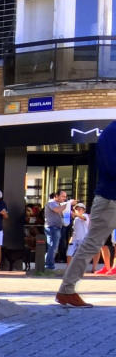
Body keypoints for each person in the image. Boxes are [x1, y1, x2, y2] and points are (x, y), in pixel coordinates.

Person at [57, 123, 116, 306]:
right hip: (110, 199)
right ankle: (66, 290)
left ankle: (66, 290)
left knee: (91, 244)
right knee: (91, 244)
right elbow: (110, 167)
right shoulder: (111, 133)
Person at [43, 190, 71, 271]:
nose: (64, 198)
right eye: (62, 196)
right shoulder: (51, 202)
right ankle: (49, 266)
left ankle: (49, 265)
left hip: (56, 227)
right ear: (56, 196)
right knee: (53, 247)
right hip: (52, 227)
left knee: (53, 247)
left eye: (65, 197)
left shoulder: (59, 204)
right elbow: (57, 210)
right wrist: (68, 204)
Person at [66, 202, 93, 271]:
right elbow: (74, 229)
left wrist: (75, 214)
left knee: (82, 255)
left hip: (83, 239)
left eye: (80, 209)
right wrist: (71, 238)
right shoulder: (76, 219)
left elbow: (83, 218)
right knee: (69, 253)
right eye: (77, 209)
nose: (78, 210)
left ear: (84, 210)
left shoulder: (85, 215)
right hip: (75, 238)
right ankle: (69, 269)